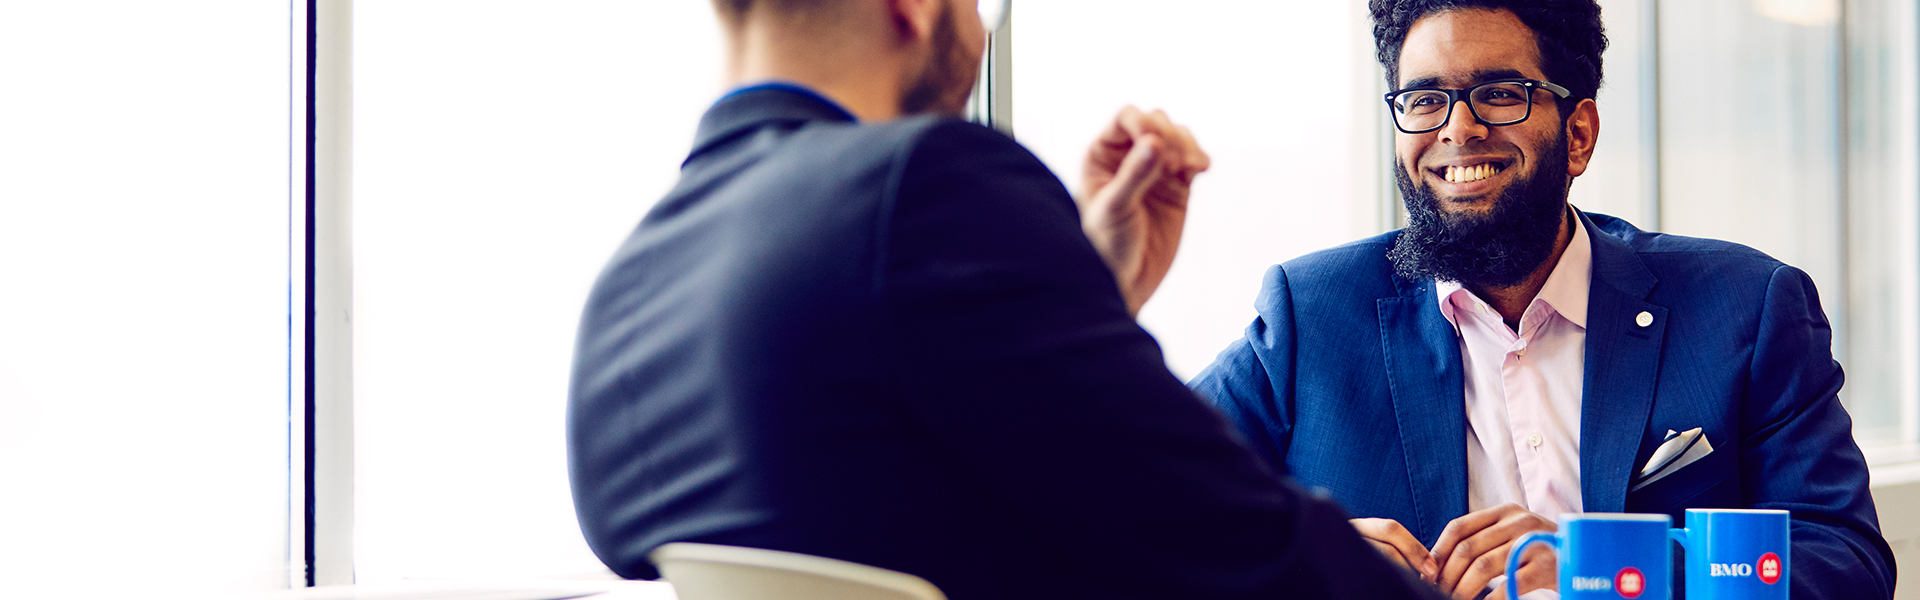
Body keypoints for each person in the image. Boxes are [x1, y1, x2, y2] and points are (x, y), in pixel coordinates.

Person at [567, 0, 1444, 598]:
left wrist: (1085, 296)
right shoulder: (925, 184)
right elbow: (1220, 532)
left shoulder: (631, 289)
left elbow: (892, 489)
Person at [1189, 1, 1895, 599]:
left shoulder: (1746, 306)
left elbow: (1846, 562)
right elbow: (1139, 502)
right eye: (1424, 99)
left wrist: (1600, 563)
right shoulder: (1310, 315)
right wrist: (1304, 560)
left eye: (1499, 93)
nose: (1456, 129)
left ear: (1578, 132)